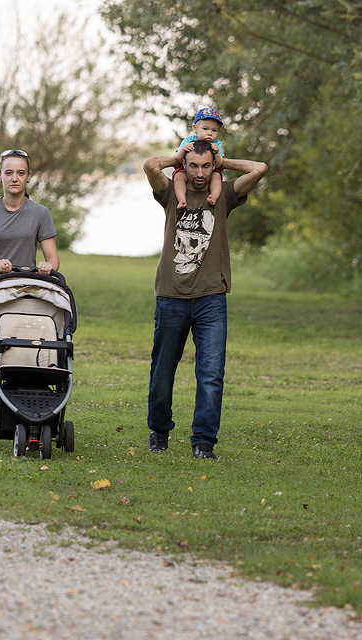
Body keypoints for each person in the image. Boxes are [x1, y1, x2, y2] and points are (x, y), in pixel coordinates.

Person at [142, 140, 268, 458]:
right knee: (162, 370)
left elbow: (260, 168)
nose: (199, 173)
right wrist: (176, 159)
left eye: (206, 166)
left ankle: (203, 442)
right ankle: (159, 431)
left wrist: (224, 162)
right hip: (172, 296)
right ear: (186, 164)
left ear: (214, 166)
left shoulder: (224, 195)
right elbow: (149, 166)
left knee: (211, 373)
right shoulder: (172, 192)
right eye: (194, 166)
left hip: (211, 297)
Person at [0, 148, 59, 432]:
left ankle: (28, 416)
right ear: (0, 176)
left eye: (21, 173)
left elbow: (53, 258)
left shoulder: (40, 214)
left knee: (27, 357)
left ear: (29, 177)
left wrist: (47, 267)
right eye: (9, 173)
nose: (14, 178)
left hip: (25, 299)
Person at [173, 107, 225, 210]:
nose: (209, 133)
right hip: (186, 170)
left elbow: (219, 164)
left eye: (214, 130)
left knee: (217, 176)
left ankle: (214, 197)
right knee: (179, 176)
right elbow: (177, 159)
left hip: (209, 172)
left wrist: (216, 154)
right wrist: (183, 149)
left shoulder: (217, 144)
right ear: (195, 128)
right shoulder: (188, 140)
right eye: (205, 129)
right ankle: (181, 199)